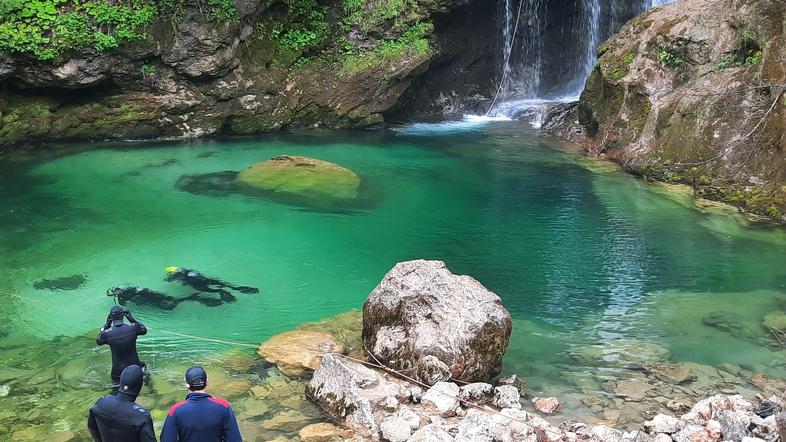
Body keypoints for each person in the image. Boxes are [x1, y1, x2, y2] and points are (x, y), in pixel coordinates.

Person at [161, 366, 242, 442]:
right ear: (207, 383)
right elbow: (235, 439)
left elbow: (166, 439)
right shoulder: (223, 407)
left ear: (186, 385)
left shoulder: (175, 410)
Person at [87, 364, 157, 442]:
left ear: (121, 382)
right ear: (139, 386)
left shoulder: (100, 402)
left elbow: (92, 428)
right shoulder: (142, 417)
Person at [97, 306, 148, 388]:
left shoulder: (106, 334)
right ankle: (152, 391)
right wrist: (131, 319)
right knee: (144, 374)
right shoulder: (133, 327)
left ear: (111, 317)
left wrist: (107, 324)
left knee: (117, 391)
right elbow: (144, 330)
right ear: (123, 315)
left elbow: (99, 341)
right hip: (135, 368)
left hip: (118, 372)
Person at [165, 267, 259, 303]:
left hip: (198, 284)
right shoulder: (188, 270)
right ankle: (237, 288)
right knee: (229, 285)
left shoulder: (176, 275)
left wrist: (168, 278)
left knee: (213, 290)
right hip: (206, 279)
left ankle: (220, 291)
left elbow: (168, 280)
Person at [107, 284, 223, 310]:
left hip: (146, 295)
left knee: (169, 305)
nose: (114, 295)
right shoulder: (122, 291)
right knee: (168, 300)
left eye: (113, 294)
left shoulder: (121, 292)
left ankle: (193, 297)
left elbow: (123, 303)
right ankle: (192, 297)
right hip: (147, 293)